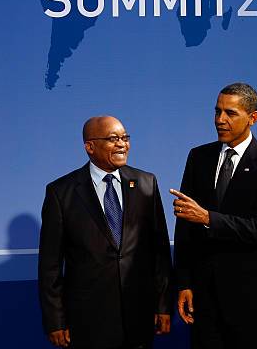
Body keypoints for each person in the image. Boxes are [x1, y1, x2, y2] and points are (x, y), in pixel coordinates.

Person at [171, 83, 257, 349]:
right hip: (203, 293)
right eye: (217, 112)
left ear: (253, 118)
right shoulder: (198, 157)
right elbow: (184, 227)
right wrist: (184, 283)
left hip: (247, 295)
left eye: (230, 113)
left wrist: (208, 218)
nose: (220, 120)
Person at [38, 116, 172, 349]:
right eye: (113, 139)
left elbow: (159, 251)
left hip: (139, 317)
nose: (122, 144)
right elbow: (50, 266)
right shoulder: (61, 192)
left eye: (125, 138)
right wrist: (55, 321)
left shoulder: (146, 183)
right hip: (87, 321)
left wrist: (162, 305)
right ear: (90, 146)